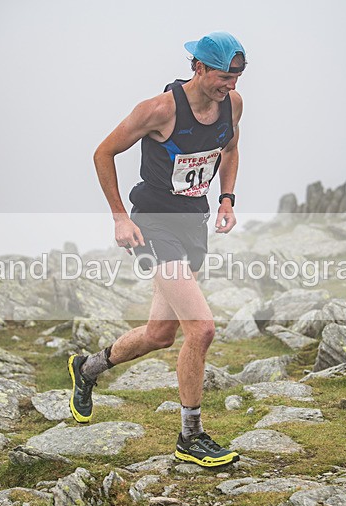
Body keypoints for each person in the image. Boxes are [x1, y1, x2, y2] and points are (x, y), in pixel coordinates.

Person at [68, 31, 246, 468]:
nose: (233, 87)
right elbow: (102, 153)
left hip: (192, 223)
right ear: (199, 68)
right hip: (152, 222)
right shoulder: (159, 110)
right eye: (225, 77)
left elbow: (231, 149)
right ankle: (190, 436)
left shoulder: (233, 105)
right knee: (201, 329)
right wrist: (119, 216)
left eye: (239, 77)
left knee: (159, 335)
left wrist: (227, 198)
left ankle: (87, 369)